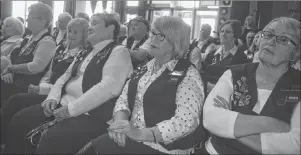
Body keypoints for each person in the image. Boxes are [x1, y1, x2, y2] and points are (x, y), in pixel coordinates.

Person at [4, 13, 133, 154]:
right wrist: (52, 98)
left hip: (90, 113)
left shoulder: (119, 51)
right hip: (63, 103)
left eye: (95, 23)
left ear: (110, 28)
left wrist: (71, 109)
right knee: (21, 118)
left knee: (52, 138)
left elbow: (109, 87)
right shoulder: (85, 52)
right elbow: (64, 77)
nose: (89, 27)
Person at [78, 16, 206, 155]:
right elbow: (123, 100)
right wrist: (120, 125)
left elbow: (186, 121)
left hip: (163, 147)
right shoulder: (145, 67)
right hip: (133, 137)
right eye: (152, 33)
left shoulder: (188, 74)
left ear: (175, 41)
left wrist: (140, 134)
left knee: (97, 146)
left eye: (160, 36)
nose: (152, 39)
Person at [200, 17, 300, 154]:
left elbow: (294, 144)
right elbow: (210, 118)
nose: (271, 42)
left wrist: (229, 123)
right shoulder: (234, 73)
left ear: (296, 52)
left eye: (283, 39)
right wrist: (269, 124)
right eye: (268, 35)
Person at [1, 18, 89, 147]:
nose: (71, 35)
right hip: (46, 89)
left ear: (85, 35)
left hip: (58, 96)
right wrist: (40, 86)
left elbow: (67, 84)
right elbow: (48, 73)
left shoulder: (83, 55)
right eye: (69, 31)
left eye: (76, 32)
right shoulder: (60, 49)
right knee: (14, 102)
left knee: (17, 104)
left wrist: (43, 90)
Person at [1, 2, 56, 106]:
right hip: (15, 79)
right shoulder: (28, 39)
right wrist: (8, 71)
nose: (26, 20)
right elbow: (12, 59)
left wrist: (11, 69)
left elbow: (36, 67)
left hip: (29, 85)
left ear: (42, 20)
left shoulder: (47, 41)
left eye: (30, 17)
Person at [202, 20, 248, 93]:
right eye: (222, 31)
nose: (223, 34)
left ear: (235, 35)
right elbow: (203, 73)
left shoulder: (242, 58)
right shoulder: (211, 55)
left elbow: (240, 84)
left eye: (228, 32)